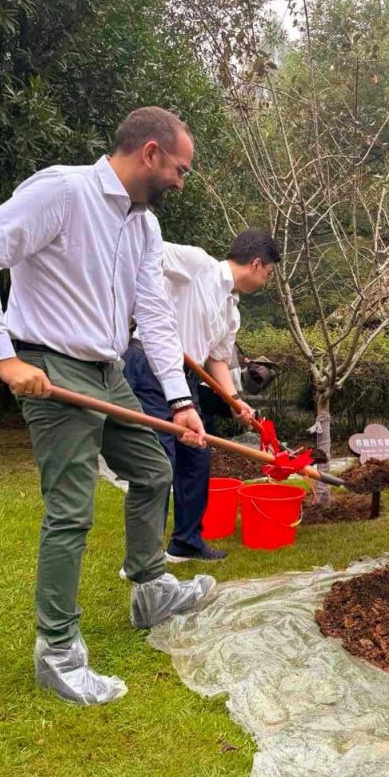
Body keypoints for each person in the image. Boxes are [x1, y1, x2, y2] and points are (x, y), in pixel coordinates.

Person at [0, 106, 217, 705]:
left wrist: (179, 400)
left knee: (153, 469)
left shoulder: (143, 226)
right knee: (71, 510)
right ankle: (58, 651)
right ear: (150, 152)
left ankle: (150, 590)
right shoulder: (62, 192)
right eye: (180, 168)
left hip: (108, 369)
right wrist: (5, 359)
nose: (180, 180)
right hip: (52, 364)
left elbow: (156, 316)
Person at [122, 230, 280, 563]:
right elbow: (142, 248)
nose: (266, 281)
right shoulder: (196, 263)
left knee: (196, 457)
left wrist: (234, 401)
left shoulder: (231, 311)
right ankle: (144, 558)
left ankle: (185, 542)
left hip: (188, 379)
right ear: (255, 264)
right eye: (268, 274)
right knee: (158, 461)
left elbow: (217, 360)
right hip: (149, 365)